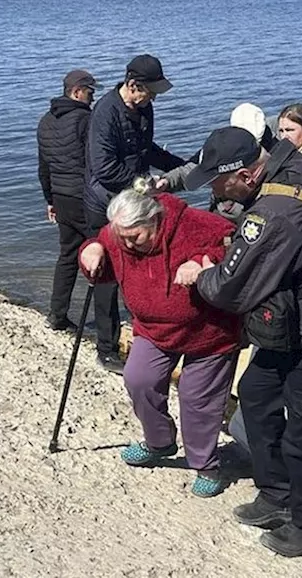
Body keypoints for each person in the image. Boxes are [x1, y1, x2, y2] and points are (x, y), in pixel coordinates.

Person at [174, 126, 302, 558]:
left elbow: (229, 289)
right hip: (297, 317)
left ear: (246, 175)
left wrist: (199, 275)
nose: (215, 192)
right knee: (256, 392)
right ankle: (277, 493)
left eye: (218, 182)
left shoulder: (272, 212)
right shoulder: (296, 165)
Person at [78, 188, 241, 497]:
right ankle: (159, 442)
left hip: (209, 331)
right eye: (120, 237)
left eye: (135, 237)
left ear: (154, 220)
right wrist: (93, 249)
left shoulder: (196, 224)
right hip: (153, 329)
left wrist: (201, 264)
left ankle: (205, 465)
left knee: (196, 400)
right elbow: (102, 257)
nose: (126, 244)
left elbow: (236, 245)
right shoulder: (117, 233)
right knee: (139, 379)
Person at [82, 54, 186, 373]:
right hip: (105, 202)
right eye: (149, 92)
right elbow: (104, 167)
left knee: (142, 265)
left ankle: (143, 333)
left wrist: (179, 165)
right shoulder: (105, 112)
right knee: (107, 276)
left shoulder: (144, 108)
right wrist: (143, 184)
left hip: (133, 199)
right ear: (132, 85)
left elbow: (147, 149)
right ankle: (106, 348)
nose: (152, 99)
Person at [37, 69, 99, 330]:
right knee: (102, 254)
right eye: (90, 92)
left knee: (67, 256)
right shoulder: (85, 119)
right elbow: (94, 162)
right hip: (83, 198)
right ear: (77, 92)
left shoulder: (45, 121)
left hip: (61, 198)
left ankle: (57, 314)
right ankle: (109, 325)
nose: (93, 98)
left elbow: (43, 167)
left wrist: (49, 199)